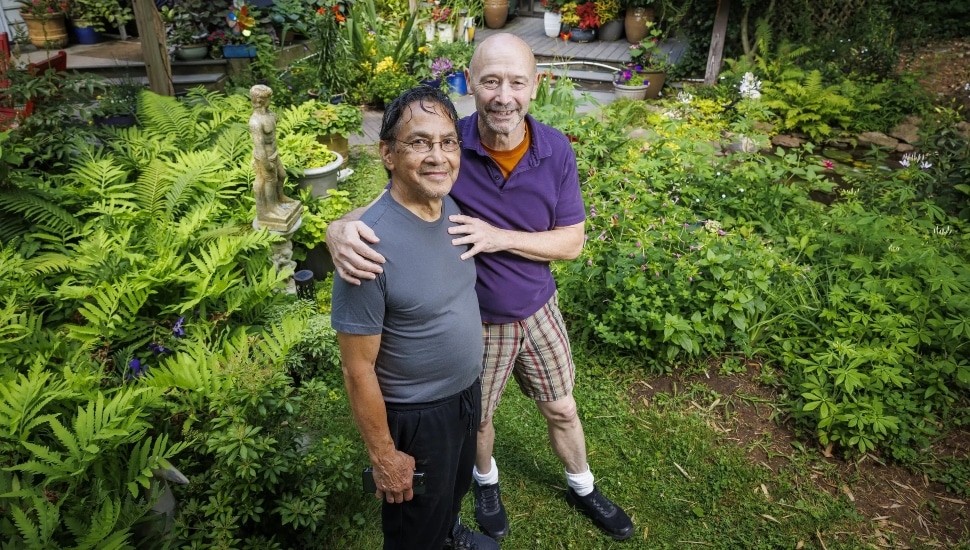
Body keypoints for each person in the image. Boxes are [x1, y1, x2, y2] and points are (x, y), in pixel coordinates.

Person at [326, 34, 635, 542]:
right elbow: (391, 201)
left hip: (537, 307)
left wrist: (496, 237)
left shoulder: (554, 149)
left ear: (536, 86)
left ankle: (583, 485)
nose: (503, 95)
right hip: (480, 319)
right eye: (491, 80)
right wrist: (336, 229)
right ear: (471, 83)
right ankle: (485, 484)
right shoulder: (447, 139)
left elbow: (573, 242)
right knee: (480, 421)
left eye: (517, 81)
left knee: (561, 406)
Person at [330, 86, 498, 550]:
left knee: (452, 490)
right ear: (387, 153)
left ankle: (449, 534)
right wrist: (383, 454)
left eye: (447, 142)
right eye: (420, 142)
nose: (438, 156)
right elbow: (356, 367)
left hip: (465, 395)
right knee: (412, 524)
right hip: (416, 415)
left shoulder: (449, 208)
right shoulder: (366, 250)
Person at [248, 84, 301, 231]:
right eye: (268, 98)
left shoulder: (269, 115)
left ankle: (281, 197)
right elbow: (259, 147)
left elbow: (273, 124)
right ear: (260, 101)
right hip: (264, 158)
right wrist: (265, 164)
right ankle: (272, 208)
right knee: (270, 181)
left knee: (282, 176)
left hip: (274, 154)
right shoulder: (255, 122)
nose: (270, 101)